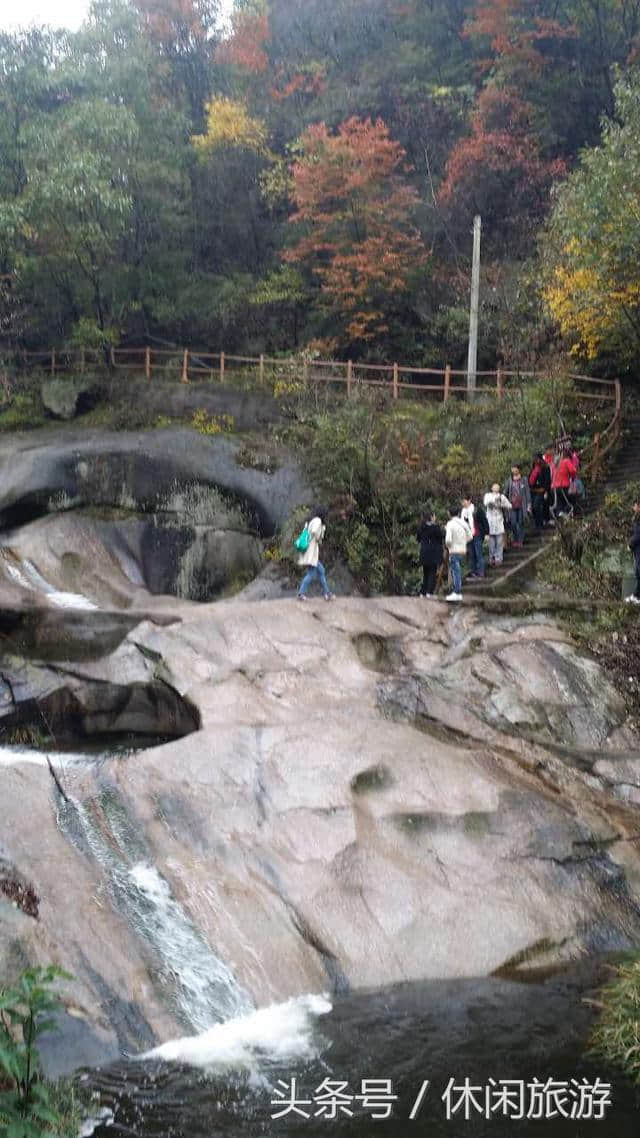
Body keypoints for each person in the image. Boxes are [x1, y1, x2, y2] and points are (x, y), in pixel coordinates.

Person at [297, 506, 335, 601]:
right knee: (311, 573)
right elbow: (314, 532)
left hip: (311, 552)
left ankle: (327, 593)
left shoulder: (313, 520)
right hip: (311, 552)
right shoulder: (317, 520)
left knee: (321, 570)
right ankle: (301, 594)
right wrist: (319, 536)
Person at [444, 505, 472, 601]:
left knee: (455, 571)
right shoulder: (463, 523)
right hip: (462, 550)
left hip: (454, 550)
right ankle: (457, 591)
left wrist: (449, 546)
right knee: (457, 570)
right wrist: (463, 542)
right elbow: (470, 536)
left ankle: (457, 592)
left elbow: (448, 540)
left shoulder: (450, 524)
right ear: (459, 513)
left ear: (449, 514)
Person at [416, 509, 444, 597]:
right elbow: (440, 538)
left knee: (425, 573)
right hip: (433, 552)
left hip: (424, 552)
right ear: (431, 517)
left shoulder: (421, 527)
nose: (435, 518)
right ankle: (429, 592)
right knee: (432, 572)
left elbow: (418, 539)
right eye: (434, 516)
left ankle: (423, 592)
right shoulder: (435, 527)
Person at [503, 464, 531, 548]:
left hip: (522, 504)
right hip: (512, 505)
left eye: (515, 469)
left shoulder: (524, 479)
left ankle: (520, 540)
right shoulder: (509, 480)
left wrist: (529, 504)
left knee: (521, 523)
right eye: (513, 469)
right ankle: (515, 540)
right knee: (513, 523)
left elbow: (527, 492)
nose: (514, 470)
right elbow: (505, 492)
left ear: (519, 470)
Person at [483, 483, 512, 566]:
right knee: (491, 542)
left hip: (499, 520)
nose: (496, 489)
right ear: (491, 488)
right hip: (490, 521)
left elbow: (509, 505)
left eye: (498, 487)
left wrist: (501, 505)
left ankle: (499, 558)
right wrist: (494, 499)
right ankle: (491, 557)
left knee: (499, 541)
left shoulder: (502, 497)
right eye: (494, 487)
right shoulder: (488, 495)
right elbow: (485, 503)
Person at [462, 494, 488, 578]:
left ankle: (481, 572)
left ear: (469, 500)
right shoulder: (463, 512)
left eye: (464, 501)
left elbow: (484, 521)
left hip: (477, 534)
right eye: (462, 501)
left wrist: (486, 533)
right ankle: (473, 571)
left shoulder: (476, 510)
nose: (463, 503)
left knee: (479, 553)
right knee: (471, 555)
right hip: (468, 536)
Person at [551, 446, 578, 520]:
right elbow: (573, 471)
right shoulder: (566, 461)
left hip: (554, 488)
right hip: (563, 486)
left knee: (559, 505)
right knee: (571, 499)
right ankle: (569, 514)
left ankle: (561, 514)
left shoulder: (553, 464)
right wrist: (572, 477)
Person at [528, 453, 551, 530]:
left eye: (537, 459)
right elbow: (530, 479)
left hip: (541, 490)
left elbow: (547, 480)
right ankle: (537, 524)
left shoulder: (545, 468)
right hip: (533, 490)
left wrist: (545, 489)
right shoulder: (533, 469)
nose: (536, 461)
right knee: (534, 508)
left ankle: (541, 523)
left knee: (537, 505)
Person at [625, 499, 640, 604]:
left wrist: (630, 544)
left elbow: (638, 534)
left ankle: (636, 595)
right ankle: (636, 596)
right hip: (637, 549)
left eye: (635, 506)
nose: (633, 508)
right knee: (638, 573)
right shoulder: (636, 518)